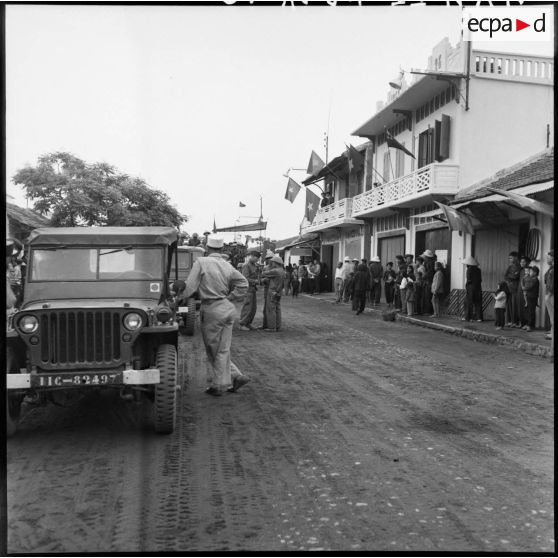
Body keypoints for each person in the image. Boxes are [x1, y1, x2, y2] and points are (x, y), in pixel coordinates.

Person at [183, 235, 250, 396]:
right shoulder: (227, 265)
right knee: (223, 348)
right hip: (227, 308)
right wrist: (231, 297)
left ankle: (220, 385)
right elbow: (243, 283)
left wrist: (177, 297)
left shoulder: (201, 262)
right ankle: (235, 376)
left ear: (207, 248)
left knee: (214, 350)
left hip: (211, 308)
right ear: (221, 249)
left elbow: (190, 287)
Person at [261, 255, 286, 332]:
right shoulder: (282, 270)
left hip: (272, 291)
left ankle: (272, 327)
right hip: (278, 292)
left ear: (276, 262)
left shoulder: (275, 271)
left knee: (271, 309)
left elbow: (264, 273)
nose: (271, 263)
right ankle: (277, 326)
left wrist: (265, 268)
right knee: (277, 309)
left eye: (272, 262)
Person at [239, 248, 261, 331]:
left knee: (253, 308)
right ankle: (242, 324)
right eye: (256, 258)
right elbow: (245, 278)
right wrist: (255, 281)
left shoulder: (255, 266)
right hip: (248, 289)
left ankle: (248, 323)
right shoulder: (246, 266)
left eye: (257, 258)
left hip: (253, 289)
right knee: (247, 307)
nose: (257, 260)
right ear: (251, 256)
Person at [462, 256, 483, 322]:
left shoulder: (469, 270)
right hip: (478, 287)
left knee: (468, 302)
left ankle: (468, 317)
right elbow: (480, 280)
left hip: (471, 288)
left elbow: (469, 279)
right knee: (478, 302)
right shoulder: (479, 270)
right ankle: (479, 318)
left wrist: (467, 286)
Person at [504, 251, 521, 328]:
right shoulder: (510, 267)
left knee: (515, 305)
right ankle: (509, 321)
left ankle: (515, 322)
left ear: (516, 258)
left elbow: (516, 277)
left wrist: (511, 276)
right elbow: (505, 276)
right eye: (509, 258)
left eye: (511, 258)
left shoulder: (519, 267)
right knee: (509, 305)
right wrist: (512, 276)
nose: (510, 259)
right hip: (509, 287)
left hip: (516, 288)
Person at [521, 265, 540, 332]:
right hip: (528, 296)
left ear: (535, 273)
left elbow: (529, 287)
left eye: (531, 271)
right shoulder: (531, 279)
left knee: (531, 311)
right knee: (527, 311)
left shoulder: (535, 280)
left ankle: (530, 325)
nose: (529, 273)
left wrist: (524, 288)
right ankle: (527, 324)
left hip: (532, 297)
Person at [518, 256, 531, 327]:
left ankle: (527, 323)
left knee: (526, 307)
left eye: (523, 262)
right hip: (520, 290)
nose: (521, 263)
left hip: (525, 290)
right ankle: (522, 322)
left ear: (528, 263)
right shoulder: (521, 270)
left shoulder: (528, 270)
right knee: (520, 306)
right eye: (521, 262)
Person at [544, 250, 554, 342]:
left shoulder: (552, 269)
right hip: (550, 294)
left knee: (552, 316)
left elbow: (552, 284)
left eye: (548, 257)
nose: (547, 259)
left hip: (551, 295)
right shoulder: (550, 268)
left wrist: (549, 294)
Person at [421, 250, 435, 315]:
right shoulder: (427, 262)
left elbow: (430, 272)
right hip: (427, 282)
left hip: (429, 282)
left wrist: (424, 275)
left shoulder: (431, 263)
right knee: (426, 296)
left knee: (428, 296)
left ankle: (428, 311)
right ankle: (426, 310)